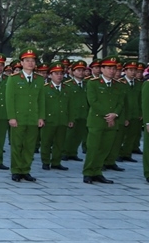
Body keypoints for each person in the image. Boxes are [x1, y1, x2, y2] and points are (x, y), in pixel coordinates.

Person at [83, 56, 124, 184]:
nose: (112, 71)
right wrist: (108, 115)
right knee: (93, 148)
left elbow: (121, 103)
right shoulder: (93, 83)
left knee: (105, 149)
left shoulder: (118, 85)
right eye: (109, 68)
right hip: (97, 121)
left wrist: (115, 114)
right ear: (102, 69)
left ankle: (97, 172)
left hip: (112, 122)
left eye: (114, 68)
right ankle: (88, 172)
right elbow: (93, 102)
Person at [6, 49, 45, 182]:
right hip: (18, 117)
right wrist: (11, 117)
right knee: (17, 145)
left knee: (30, 146)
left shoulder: (39, 80)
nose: (30, 63)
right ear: (21, 63)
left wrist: (41, 117)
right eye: (27, 60)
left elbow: (41, 100)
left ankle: (25, 170)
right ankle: (16, 170)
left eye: (33, 61)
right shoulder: (14, 79)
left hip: (33, 118)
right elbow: (9, 99)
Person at [40, 62, 73, 171]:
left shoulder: (67, 88)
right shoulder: (44, 88)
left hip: (62, 119)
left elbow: (70, 105)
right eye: (56, 73)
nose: (59, 76)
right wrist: (41, 118)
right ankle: (45, 161)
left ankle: (56, 162)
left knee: (59, 142)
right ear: (50, 75)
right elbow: (41, 105)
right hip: (49, 120)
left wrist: (70, 119)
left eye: (61, 73)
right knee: (46, 142)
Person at [119, 60, 142, 163]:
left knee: (132, 135)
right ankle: (118, 154)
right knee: (120, 136)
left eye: (135, 70)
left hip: (136, 114)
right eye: (130, 70)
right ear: (125, 71)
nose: (133, 72)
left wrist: (141, 113)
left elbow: (141, 99)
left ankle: (127, 154)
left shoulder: (139, 83)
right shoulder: (120, 83)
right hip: (123, 114)